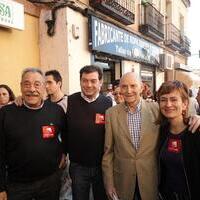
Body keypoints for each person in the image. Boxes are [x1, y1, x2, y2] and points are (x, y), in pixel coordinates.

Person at [102, 72, 200, 200]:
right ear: (119, 88)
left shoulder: (156, 108)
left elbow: (177, 115)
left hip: (151, 182)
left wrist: (196, 117)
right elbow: (108, 152)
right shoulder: (111, 113)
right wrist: (109, 183)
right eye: (124, 86)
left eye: (133, 86)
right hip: (123, 181)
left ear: (141, 87)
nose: (129, 90)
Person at [0, 68, 67, 200]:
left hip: (50, 181)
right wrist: (1, 187)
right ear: (20, 87)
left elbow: (66, 135)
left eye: (37, 84)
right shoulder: (6, 113)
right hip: (17, 185)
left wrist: (64, 152)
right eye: (27, 84)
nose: (32, 89)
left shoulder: (56, 110)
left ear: (43, 87)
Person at [66, 65, 112, 200]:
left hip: (102, 166)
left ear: (100, 82)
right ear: (80, 81)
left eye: (93, 81)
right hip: (78, 166)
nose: (88, 85)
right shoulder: (69, 101)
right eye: (84, 80)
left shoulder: (108, 102)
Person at [157, 80, 200, 199]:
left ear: (185, 104)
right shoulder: (161, 131)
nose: (168, 104)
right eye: (163, 100)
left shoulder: (195, 132)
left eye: (174, 99)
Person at [45, 70, 71, 200]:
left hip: (66, 154)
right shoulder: (43, 104)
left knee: (66, 189)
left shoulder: (70, 103)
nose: (46, 86)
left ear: (59, 83)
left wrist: (65, 153)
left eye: (49, 82)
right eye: (45, 83)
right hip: (49, 155)